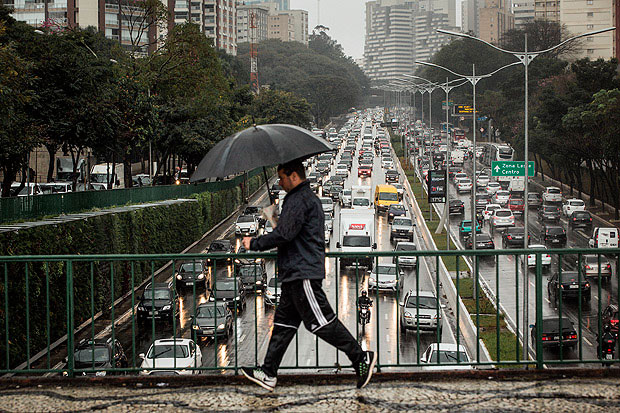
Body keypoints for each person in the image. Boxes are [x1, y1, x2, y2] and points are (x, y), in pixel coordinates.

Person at [240, 158, 376, 392]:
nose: (280, 183)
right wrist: (276, 219)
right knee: (282, 325)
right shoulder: (300, 199)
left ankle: (360, 358)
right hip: (294, 272)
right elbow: (290, 231)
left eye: (282, 177)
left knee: (321, 322)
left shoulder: (299, 200)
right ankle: (269, 372)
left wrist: (255, 243)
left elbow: (285, 235)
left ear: (294, 176)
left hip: (301, 272)